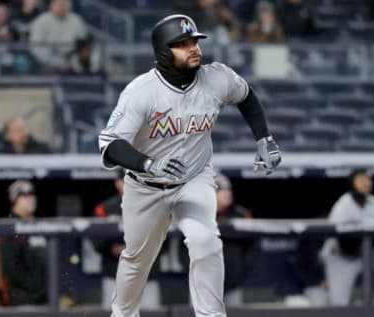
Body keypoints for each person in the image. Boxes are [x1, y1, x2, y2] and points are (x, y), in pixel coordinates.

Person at [97, 14, 281, 317]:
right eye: (182, 44)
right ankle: (123, 314)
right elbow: (110, 143)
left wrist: (263, 137)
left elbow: (247, 96)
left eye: (194, 40)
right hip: (146, 186)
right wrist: (147, 163)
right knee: (137, 259)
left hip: (194, 178)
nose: (193, 47)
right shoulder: (140, 92)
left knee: (206, 241)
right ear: (163, 53)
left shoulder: (217, 77)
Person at [321, 169, 374, 305]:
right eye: (361, 180)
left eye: (368, 180)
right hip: (342, 257)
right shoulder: (342, 206)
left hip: (366, 253)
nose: (365, 183)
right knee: (339, 304)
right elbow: (340, 240)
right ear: (352, 183)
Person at [93, 169, 161, 309]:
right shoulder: (105, 208)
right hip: (114, 275)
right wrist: (115, 249)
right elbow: (97, 242)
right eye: (125, 180)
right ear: (117, 183)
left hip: (147, 276)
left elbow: (164, 239)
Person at [0, 180, 47, 305]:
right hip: (22, 297)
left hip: (45, 297)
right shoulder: (10, 226)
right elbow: (11, 265)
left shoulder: (38, 225)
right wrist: (34, 287)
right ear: (15, 199)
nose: (30, 199)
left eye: (32, 195)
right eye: (24, 195)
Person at [214, 173, 254, 306]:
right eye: (222, 190)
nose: (227, 193)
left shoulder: (241, 215)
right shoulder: (199, 214)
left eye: (228, 190)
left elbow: (252, 246)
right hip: (204, 282)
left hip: (234, 282)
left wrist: (242, 272)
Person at [30, 0, 87, 71]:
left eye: (65, 4)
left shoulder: (77, 20)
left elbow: (83, 44)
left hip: (72, 60)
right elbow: (36, 47)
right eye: (59, 4)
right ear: (51, 5)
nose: (62, 7)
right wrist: (52, 60)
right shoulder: (41, 21)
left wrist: (71, 59)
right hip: (46, 62)